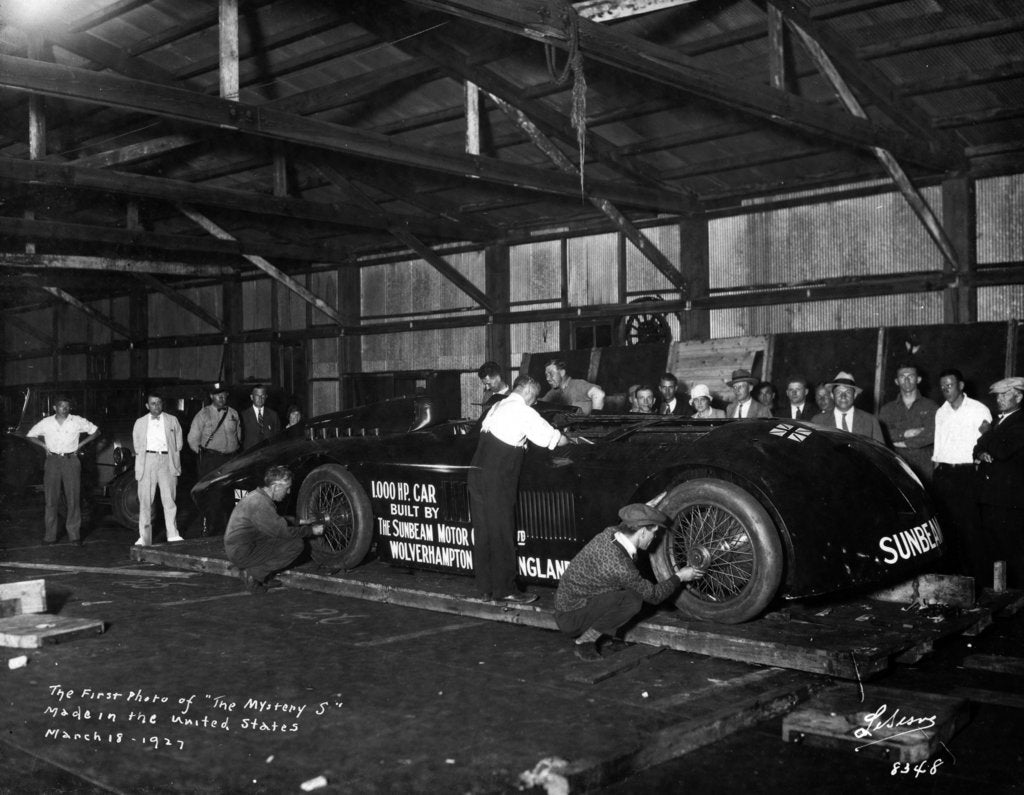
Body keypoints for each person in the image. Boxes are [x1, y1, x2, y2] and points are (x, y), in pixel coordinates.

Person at [554, 503, 705, 661]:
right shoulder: (620, 566)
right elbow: (654, 595)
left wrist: (644, 510)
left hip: (570, 603)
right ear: (642, 532)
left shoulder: (610, 533)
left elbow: (626, 522)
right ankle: (584, 642)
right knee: (632, 601)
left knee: (624, 591)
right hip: (570, 618)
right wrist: (680, 576)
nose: (655, 538)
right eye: (654, 533)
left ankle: (603, 635)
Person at [469, 375, 571, 603]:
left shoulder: (497, 405)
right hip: (497, 476)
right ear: (528, 392)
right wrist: (570, 439)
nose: (534, 403)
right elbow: (551, 439)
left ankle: (486, 589)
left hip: (476, 473)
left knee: (484, 531)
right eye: (534, 398)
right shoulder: (523, 411)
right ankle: (506, 589)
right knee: (503, 532)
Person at [224, 466, 325, 594]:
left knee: (279, 537)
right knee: (295, 544)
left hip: (243, 545)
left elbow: (274, 520)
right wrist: (311, 530)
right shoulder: (260, 504)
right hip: (242, 552)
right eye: (287, 488)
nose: (288, 492)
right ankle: (253, 575)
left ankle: (261, 575)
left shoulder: (257, 496)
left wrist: (300, 521)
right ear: (276, 487)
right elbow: (284, 532)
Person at [932, 369, 991, 582]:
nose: (946, 389)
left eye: (950, 385)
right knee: (948, 530)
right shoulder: (941, 412)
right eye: (943, 386)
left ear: (961, 386)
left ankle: (981, 582)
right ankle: (954, 580)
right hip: (945, 474)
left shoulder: (978, 409)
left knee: (971, 530)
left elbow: (988, 443)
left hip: (968, 474)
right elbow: (938, 449)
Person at [25, 396, 100, 546]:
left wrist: (80, 446)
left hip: (71, 461)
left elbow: (96, 431)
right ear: (54, 408)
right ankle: (50, 536)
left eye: (67, 406)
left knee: (73, 498)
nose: (64, 408)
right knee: (51, 499)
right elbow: (30, 435)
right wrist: (44, 447)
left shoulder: (77, 420)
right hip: (52, 461)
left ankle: (74, 535)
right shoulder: (46, 423)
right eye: (61, 406)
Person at [974, 377, 1024, 589]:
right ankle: (1000, 592)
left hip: (1008, 500)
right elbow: (978, 447)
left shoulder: (1020, 421)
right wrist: (981, 453)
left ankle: (1016, 595)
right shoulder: (998, 421)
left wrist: (986, 434)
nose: (999, 399)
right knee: (994, 549)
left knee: (1011, 551)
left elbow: (1003, 450)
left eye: (1005, 395)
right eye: (998, 396)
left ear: (1019, 396)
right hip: (992, 496)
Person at [188, 382, 241, 534]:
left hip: (230, 460)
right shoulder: (203, 414)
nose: (221, 397)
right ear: (211, 396)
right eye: (218, 394)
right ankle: (210, 530)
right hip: (211, 461)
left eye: (224, 394)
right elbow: (192, 439)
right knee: (212, 497)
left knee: (229, 496)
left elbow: (239, 436)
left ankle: (229, 531)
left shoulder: (234, 413)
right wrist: (204, 455)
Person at [132, 392, 184, 546]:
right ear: (147, 406)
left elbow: (178, 443)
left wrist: (170, 457)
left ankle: (173, 534)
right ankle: (145, 537)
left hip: (167, 461)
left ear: (163, 404)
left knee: (169, 500)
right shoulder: (140, 422)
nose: (156, 406)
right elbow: (136, 445)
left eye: (159, 403)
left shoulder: (172, 420)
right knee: (145, 501)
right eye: (153, 403)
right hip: (147, 460)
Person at [878, 364, 938, 481]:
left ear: (918, 379)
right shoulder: (887, 409)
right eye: (902, 376)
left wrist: (905, 444)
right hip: (896, 463)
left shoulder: (931, 406)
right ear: (896, 381)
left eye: (910, 376)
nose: (906, 380)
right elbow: (882, 433)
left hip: (923, 466)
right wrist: (905, 433)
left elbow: (932, 433)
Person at [812, 372, 885, 442]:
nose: (843, 396)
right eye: (838, 392)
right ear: (832, 395)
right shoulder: (818, 421)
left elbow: (881, 452)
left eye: (848, 392)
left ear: (855, 395)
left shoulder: (870, 421)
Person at [241, 384, 281, 451]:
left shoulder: (273, 415)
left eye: (262, 395)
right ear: (251, 397)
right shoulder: (243, 415)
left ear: (266, 397)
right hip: (250, 455)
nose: (260, 398)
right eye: (257, 395)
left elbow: (277, 436)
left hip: (268, 454)